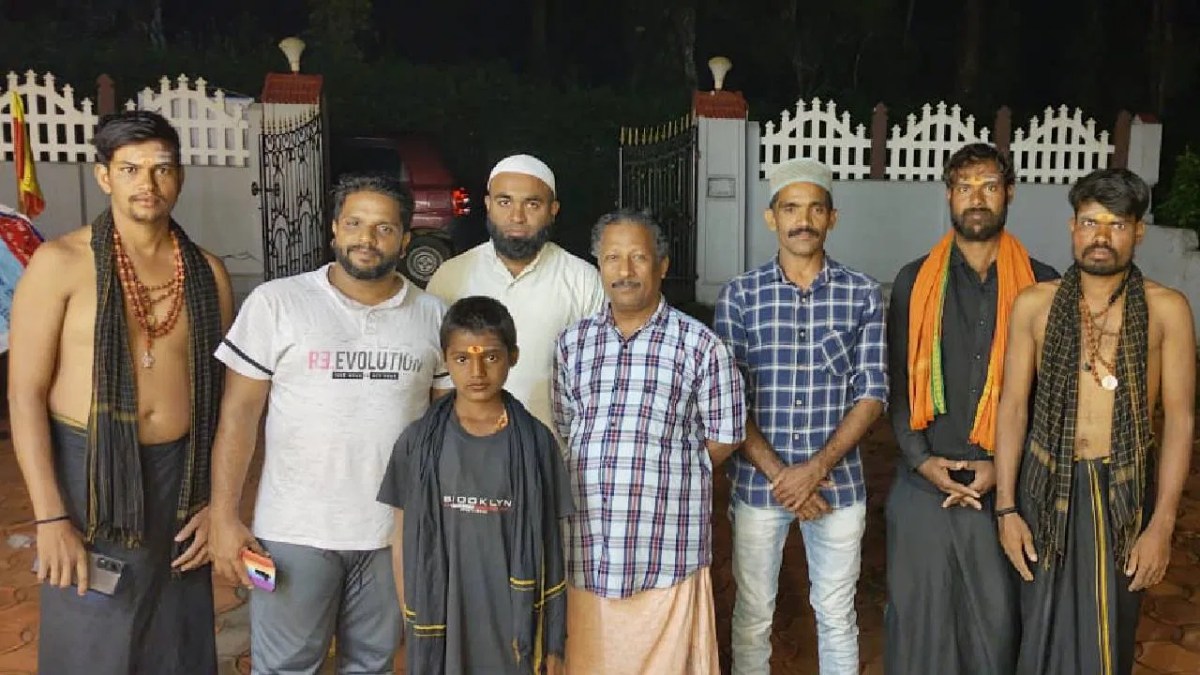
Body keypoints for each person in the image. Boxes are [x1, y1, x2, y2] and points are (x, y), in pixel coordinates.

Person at [9, 110, 234, 673]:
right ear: (104, 176)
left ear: (179, 177)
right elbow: (25, 395)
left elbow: (224, 401)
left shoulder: (207, 273)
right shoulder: (59, 264)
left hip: (181, 480)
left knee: (176, 637)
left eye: (161, 168)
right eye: (130, 169)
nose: (147, 183)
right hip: (88, 475)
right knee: (92, 634)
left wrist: (219, 504)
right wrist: (50, 518)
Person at [207, 173, 452, 673]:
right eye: (355, 224)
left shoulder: (433, 317)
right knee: (285, 667)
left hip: (391, 538)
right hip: (291, 535)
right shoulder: (278, 302)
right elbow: (238, 416)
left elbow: (445, 433)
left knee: (373, 664)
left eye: (385, 228)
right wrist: (224, 517)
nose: (368, 239)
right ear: (335, 229)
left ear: (406, 240)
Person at [995, 168, 1195, 675]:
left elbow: (1179, 419)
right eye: (1090, 222)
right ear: (1073, 227)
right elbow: (1013, 407)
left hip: (1122, 493)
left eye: (1116, 224)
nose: (1101, 237)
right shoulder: (1034, 304)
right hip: (1044, 486)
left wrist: (1161, 524)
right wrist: (1006, 508)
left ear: (1138, 231)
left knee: (1108, 634)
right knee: (1039, 629)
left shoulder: (1167, 309)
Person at [884, 142, 1059, 674]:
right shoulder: (914, 280)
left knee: (998, 630)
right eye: (964, 187)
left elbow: (1050, 396)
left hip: (1007, 488)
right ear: (949, 196)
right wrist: (921, 461)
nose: (976, 198)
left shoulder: (1044, 283)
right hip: (925, 481)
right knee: (920, 630)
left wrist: (1001, 468)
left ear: (1010, 193)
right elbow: (897, 385)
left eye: (988, 186)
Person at [714, 158, 887, 675]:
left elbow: (872, 394)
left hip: (837, 486)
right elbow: (728, 399)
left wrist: (814, 470)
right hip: (758, 486)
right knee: (752, 616)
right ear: (772, 218)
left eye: (815, 209)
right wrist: (782, 476)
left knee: (836, 615)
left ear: (832, 218)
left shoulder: (862, 293)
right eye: (790, 208)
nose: (803, 220)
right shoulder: (740, 295)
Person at [553, 209, 745, 673]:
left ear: (661, 265)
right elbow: (566, 426)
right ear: (598, 265)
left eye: (638, 257)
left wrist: (668, 471)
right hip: (588, 542)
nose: (625, 270)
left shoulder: (700, 344)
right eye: (612, 258)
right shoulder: (573, 343)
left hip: (666, 544)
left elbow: (725, 434)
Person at [377, 296, 573, 675]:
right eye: (462, 359)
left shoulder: (536, 443)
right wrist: (410, 615)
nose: (477, 371)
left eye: (491, 357)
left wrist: (553, 640)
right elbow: (400, 536)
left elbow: (552, 545)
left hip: (513, 620)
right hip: (443, 616)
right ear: (445, 360)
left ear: (513, 357)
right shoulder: (417, 443)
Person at [426, 154, 604, 434]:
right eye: (504, 202)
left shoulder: (583, 281)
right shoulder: (450, 277)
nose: (517, 217)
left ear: (553, 210)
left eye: (532, 204)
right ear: (488, 205)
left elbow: (597, 380)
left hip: (553, 453)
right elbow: (436, 376)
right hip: (470, 452)